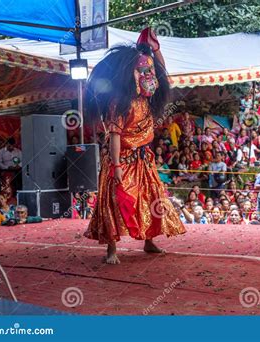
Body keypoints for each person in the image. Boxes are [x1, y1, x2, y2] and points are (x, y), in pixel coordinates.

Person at [84, 28, 186, 264]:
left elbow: (163, 75)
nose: (150, 75)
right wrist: (117, 166)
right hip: (121, 160)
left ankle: (149, 241)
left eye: (150, 70)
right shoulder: (119, 103)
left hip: (144, 159)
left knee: (152, 198)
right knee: (117, 200)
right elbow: (115, 136)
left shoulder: (148, 97)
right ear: (132, 75)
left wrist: (156, 50)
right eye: (144, 71)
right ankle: (111, 249)